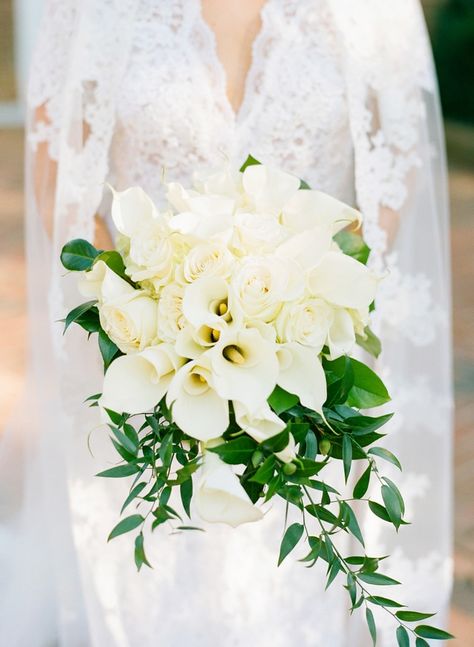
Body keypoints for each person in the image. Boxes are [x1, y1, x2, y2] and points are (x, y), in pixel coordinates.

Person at [0, 1, 453, 645]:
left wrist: (321, 315)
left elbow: (396, 159)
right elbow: (60, 180)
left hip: (306, 370)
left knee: (294, 587)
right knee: (152, 582)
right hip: (145, 370)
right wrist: (141, 325)